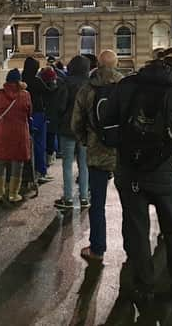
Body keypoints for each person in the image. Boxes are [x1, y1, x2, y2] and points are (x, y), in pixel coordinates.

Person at [103, 52, 172, 310]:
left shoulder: (126, 86)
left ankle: (144, 286)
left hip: (130, 171)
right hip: (165, 171)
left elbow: (106, 123)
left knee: (137, 231)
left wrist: (127, 144)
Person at [72, 50, 123, 260]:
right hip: (122, 152)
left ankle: (97, 248)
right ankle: (134, 248)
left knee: (98, 203)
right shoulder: (126, 86)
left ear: (98, 64)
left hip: (96, 150)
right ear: (116, 63)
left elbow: (76, 122)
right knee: (131, 203)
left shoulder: (87, 88)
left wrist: (87, 140)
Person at [0, 69, 32, 203]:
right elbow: (29, 113)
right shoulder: (25, 95)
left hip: (2, 133)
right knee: (17, 163)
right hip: (19, 133)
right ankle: (13, 194)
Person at [54, 55, 91, 210]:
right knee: (84, 164)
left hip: (67, 129)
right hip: (86, 130)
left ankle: (68, 198)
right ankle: (84, 197)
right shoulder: (90, 84)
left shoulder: (66, 84)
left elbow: (60, 106)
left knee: (67, 164)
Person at [22, 57, 54, 183]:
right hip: (38, 114)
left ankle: (27, 172)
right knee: (40, 144)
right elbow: (49, 92)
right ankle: (40, 171)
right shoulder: (36, 81)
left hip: (24, 115)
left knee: (26, 145)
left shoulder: (21, 79)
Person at [40, 66, 67, 167]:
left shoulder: (41, 85)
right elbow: (63, 102)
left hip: (45, 114)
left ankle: (46, 158)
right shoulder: (62, 84)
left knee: (45, 138)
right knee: (53, 136)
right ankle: (51, 156)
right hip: (56, 115)